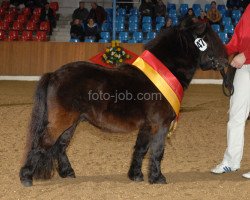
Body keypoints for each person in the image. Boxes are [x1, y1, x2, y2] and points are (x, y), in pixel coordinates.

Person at [211, 4, 250, 179]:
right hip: (245, 67)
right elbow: (238, 38)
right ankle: (231, 162)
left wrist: (246, 55)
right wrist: (222, 51)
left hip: (246, 60)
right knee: (235, 114)